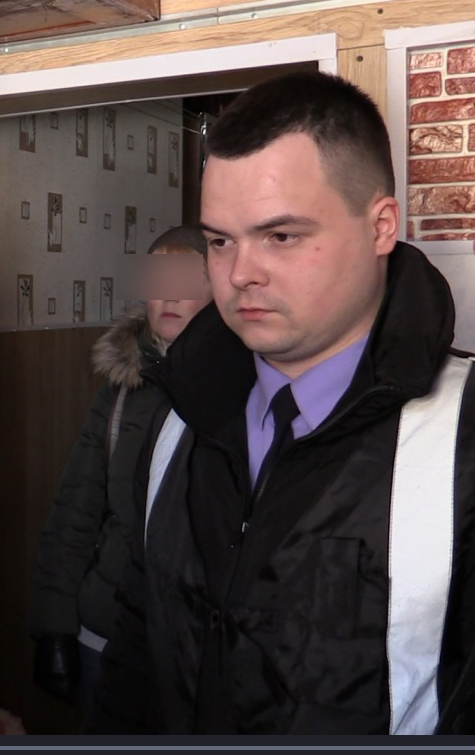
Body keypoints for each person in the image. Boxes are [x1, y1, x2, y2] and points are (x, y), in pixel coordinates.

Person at [89, 70, 475, 734]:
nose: (240, 274)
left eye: (282, 236)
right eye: (219, 241)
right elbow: (139, 644)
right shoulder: (177, 414)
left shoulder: (462, 436)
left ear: (381, 226)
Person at [30, 226, 211, 716]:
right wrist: (53, 626)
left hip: (195, 642)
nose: (169, 295)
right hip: (105, 629)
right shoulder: (121, 392)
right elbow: (76, 510)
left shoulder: (245, 389)